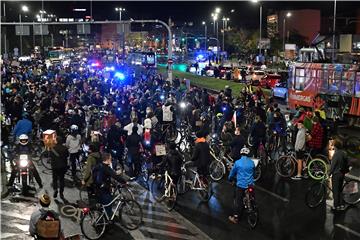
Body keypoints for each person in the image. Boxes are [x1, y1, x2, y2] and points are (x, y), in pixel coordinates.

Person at [228, 147, 255, 224]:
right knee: (252, 195)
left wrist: (230, 178)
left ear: (241, 154)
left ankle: (236, 217)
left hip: (241, 185)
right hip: (250, 184)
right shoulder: (251, 162)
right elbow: (253, 172)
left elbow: (232, 173)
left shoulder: (237, 163)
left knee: (238, 201)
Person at [329, 138, 349, 211]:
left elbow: (333, 166)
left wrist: (329, 173)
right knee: (340, 190)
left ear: (335, 146)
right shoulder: (344, 153)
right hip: (342, 173)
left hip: (336, 174)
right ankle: (341, 204)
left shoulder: (336, 154)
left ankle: (336, 206)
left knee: (335, 190)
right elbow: (347, 163)